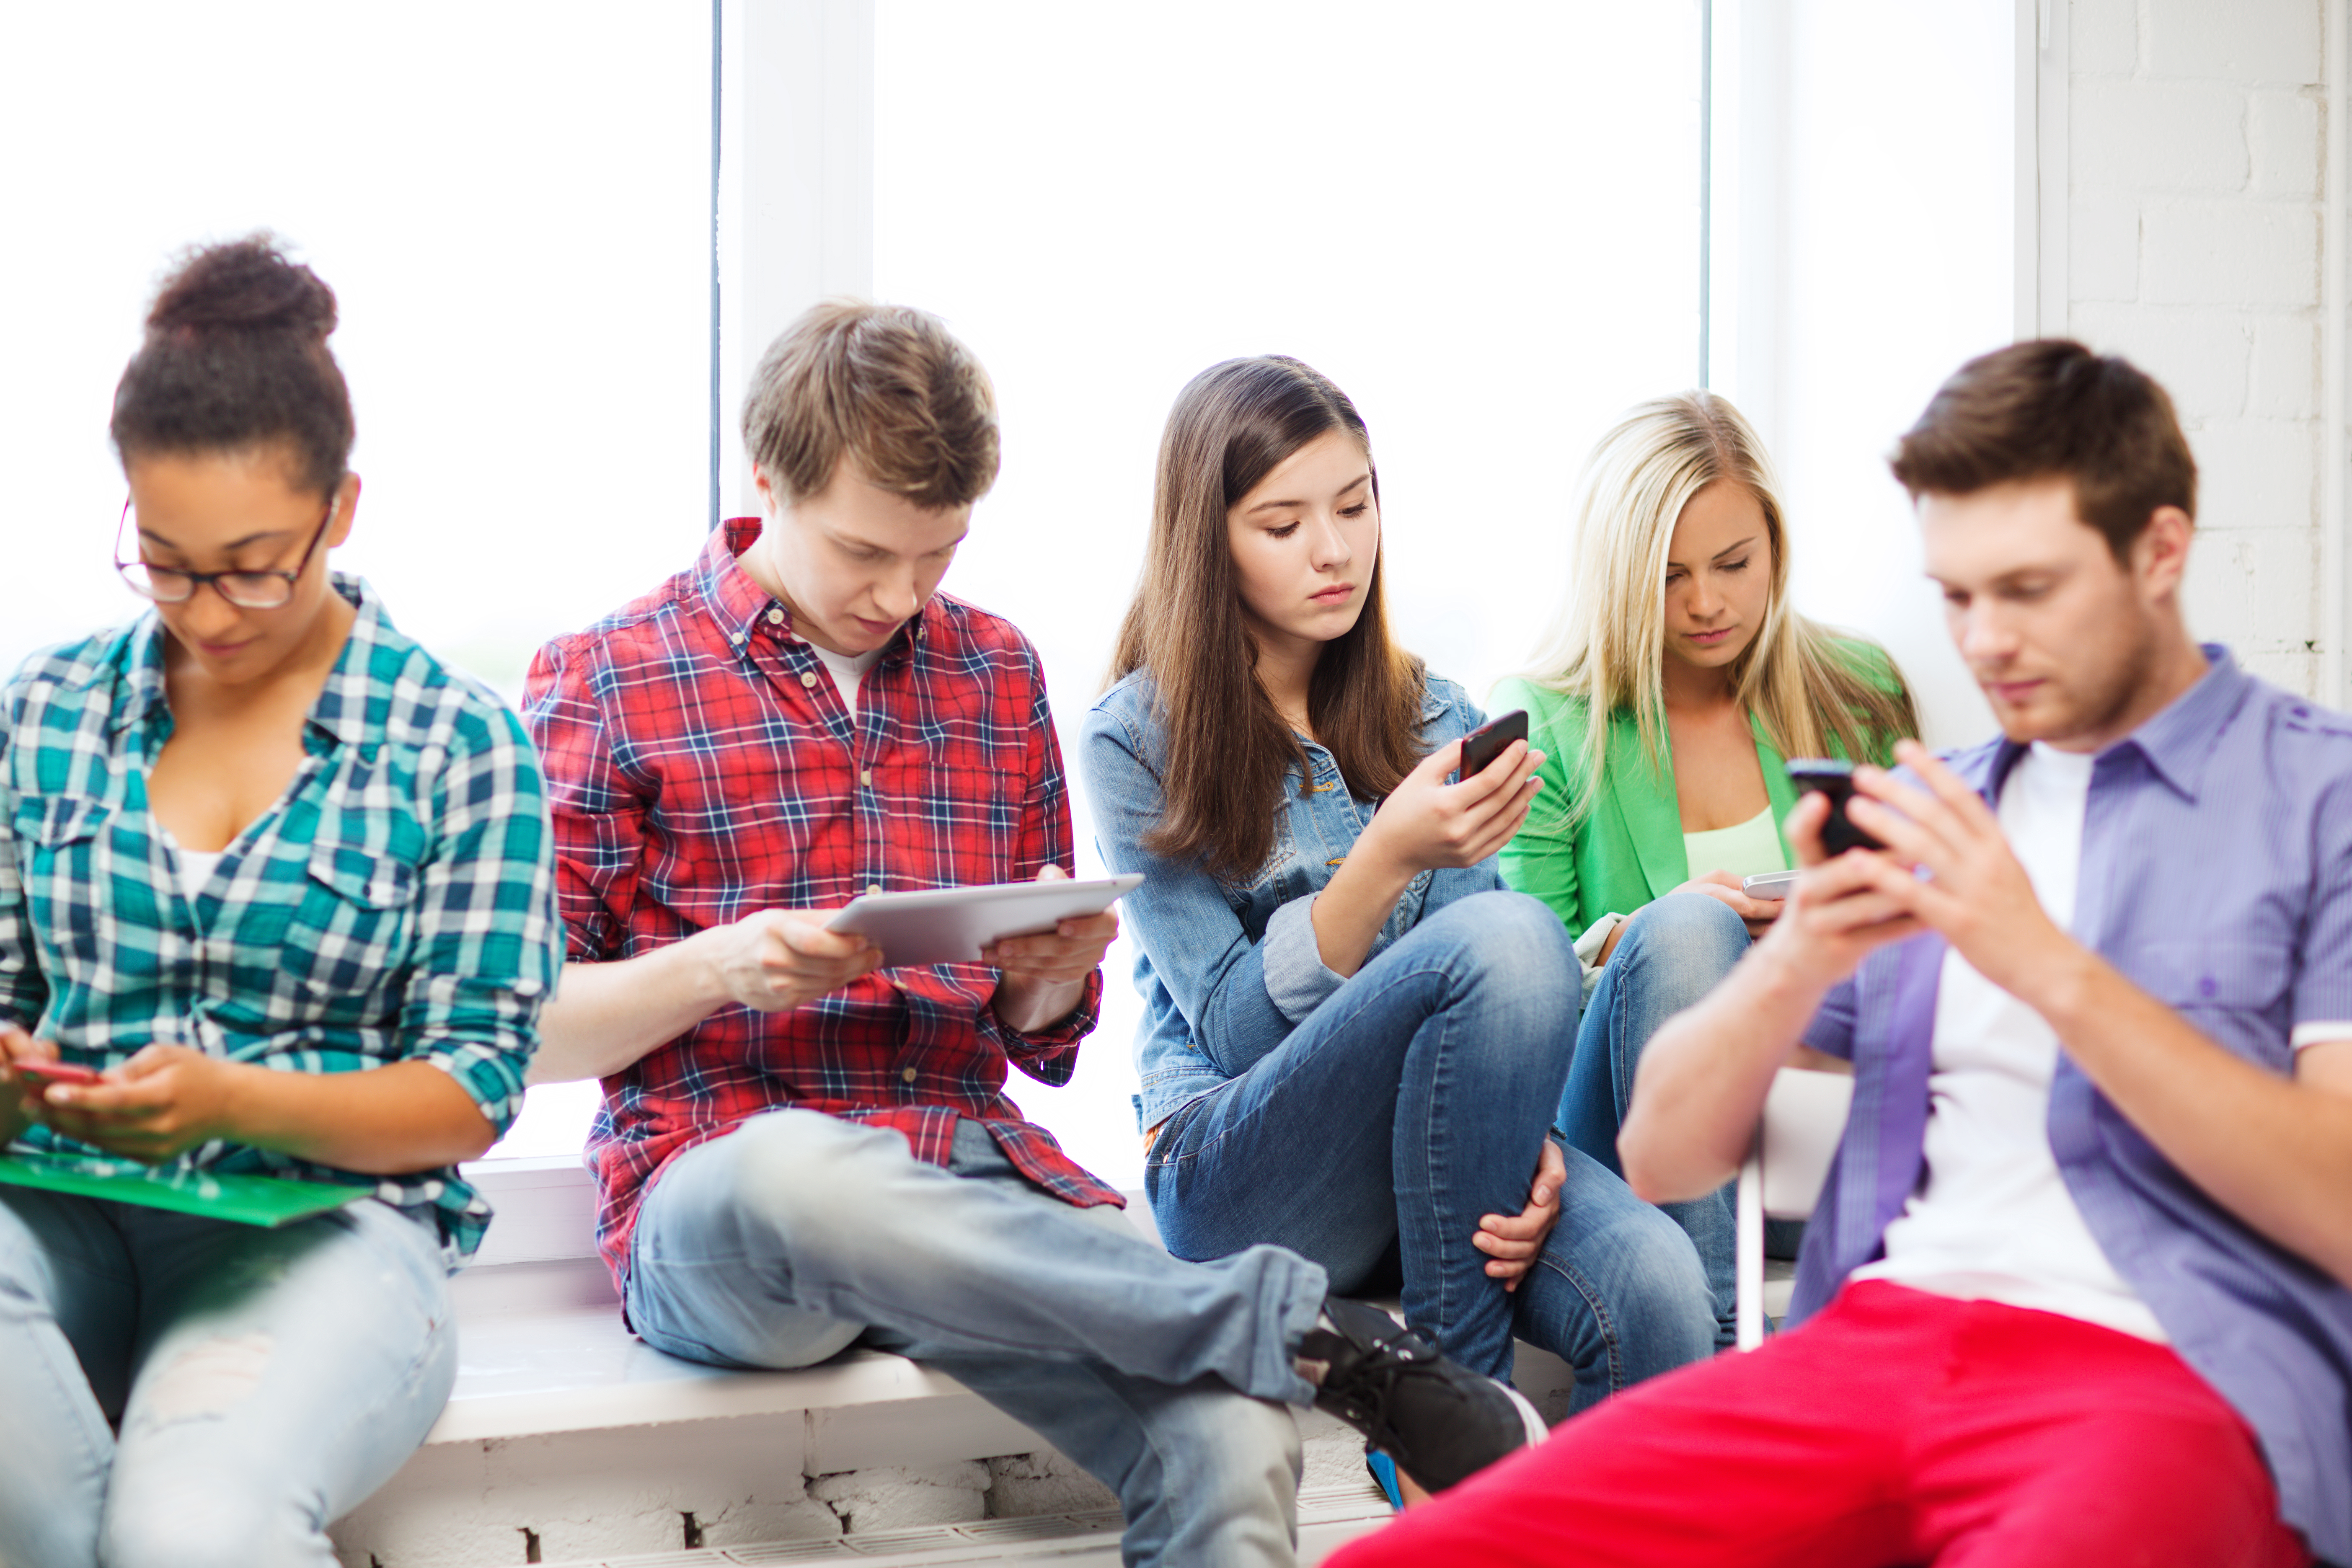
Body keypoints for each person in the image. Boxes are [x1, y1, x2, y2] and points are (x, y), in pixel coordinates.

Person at [520, 304, 1547, 1568]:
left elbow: (1040, 1050)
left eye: (938, 554)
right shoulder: (609, 674)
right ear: (767, 480)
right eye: (864, 553)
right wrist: (718, 966)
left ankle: (1277, 1352)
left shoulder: (992, 671)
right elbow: (521, 1029)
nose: (900, 596)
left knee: (1231, 1441)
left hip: (965, 1184)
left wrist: (1044, 989)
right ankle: (1300, 1329)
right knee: (795, 1172)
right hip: (725, 1194)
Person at [1326, 340, 2350, 1568]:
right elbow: (1658, 1155)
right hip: (1869, 1352)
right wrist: (1798, 951)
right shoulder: (1934, 804)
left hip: (2161, 1363)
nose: (1983, 643)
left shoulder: (2312, 798)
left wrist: (2040, 961)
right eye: (1955, 597)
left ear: (2159, 554)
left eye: (2026, 591)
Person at [0, 238, 562, 1568]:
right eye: (165, 559)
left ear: (341, 508)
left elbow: (472, 1088)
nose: (210, 612)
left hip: (324, 1233)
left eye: (254, 562)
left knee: (193, 1531)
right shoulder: (44, 710)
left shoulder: (458, 744)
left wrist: (233, 1099)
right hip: (58, 1204)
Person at [1082, 356, 1717, 1475]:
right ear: (1205, 538)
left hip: (1439, 1163)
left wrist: (1531, 1152)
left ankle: (1555, 1531)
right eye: (1282, 523)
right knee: (1506, 934)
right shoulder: (1134, 741)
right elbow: (1233, 1030)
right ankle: (1446, 1409)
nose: (1333, 550)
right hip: (1245, 1179)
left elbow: (1504, 1010)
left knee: (1658, 1293)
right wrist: (1384, 854)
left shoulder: (1437, 713)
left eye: (1353, 505)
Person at [1491, 392, 1915, 1341]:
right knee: (1687, 931)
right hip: (1642, 1131)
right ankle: (1717, 1364)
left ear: (1774, 546)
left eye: (1733, 564)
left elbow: (1919, 938)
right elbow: (1516, 988)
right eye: (1669, 575)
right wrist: (1650, 933)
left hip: (1817, 1114)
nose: (1706, 603)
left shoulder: (1855, 693)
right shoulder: (1550, 723)